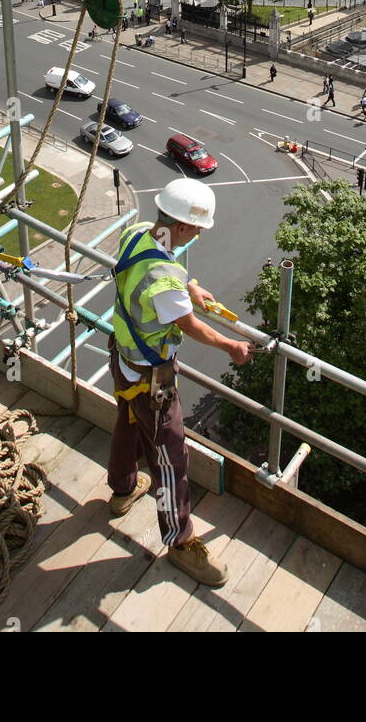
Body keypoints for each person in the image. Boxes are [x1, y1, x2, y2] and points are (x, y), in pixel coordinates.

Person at [107, 179, 254, 588]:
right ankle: (181, 542)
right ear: (187, 226)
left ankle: (121, 491)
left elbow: (159, 269)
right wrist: (230, 346)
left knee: (128, 422)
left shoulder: (138, 233)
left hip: (123, 356)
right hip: (151, 375)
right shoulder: (165, 277)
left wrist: (188, 286)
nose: (201, 233)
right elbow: (187, 324)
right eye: (199, 227)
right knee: (171, 458)